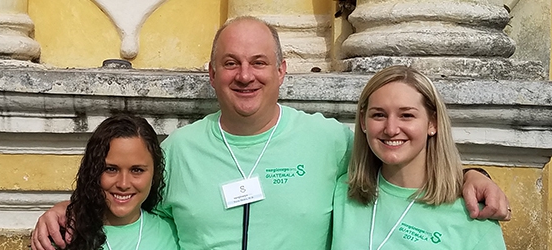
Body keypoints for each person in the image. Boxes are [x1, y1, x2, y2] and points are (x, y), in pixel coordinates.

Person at [31, 16, 510, 250]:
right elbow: (124, 200)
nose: (246, 75)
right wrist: (70, 208)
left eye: (259, 62)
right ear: (211, 73)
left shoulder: (331, 142)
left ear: (282, 71)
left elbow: (396, 156)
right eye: (231, 63)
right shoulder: (176, 152)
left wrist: (470, 173)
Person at [332, 66, 506, 249]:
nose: (391, 129)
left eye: (406, 115)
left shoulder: (473, 214)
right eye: (379, 115)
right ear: (363, 122)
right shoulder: (342, 192)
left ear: (433, 123)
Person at [55, 114, 178, 250]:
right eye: (111, 169)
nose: (123, 184)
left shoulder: (174, 234)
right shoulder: (63, 235)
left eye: (137, 170)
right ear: (93, 171)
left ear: (155, 173)